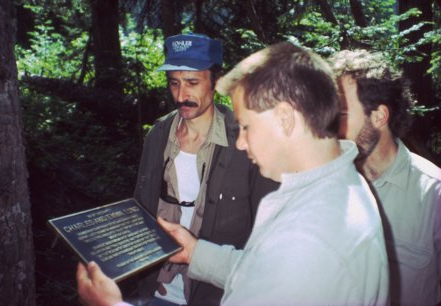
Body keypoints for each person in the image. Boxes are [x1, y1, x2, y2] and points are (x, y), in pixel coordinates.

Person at [77, 42, 389, 305]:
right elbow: (266, 269)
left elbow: (287, 264)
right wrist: (196, 253)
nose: (239, 141)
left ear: (285, 118)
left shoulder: (305, 238)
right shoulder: (341, 189)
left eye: (247, 127)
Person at [123, 33, 278, 306]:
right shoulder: (158, 134)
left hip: (218, 294)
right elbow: (140, 209)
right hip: (157, 292)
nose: (181, 95)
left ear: (215, 82)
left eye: (192, 83)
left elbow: (269, 231)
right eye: (174, 83)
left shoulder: (244, 140)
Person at [329, 49, 441, 306]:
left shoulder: (433, 194)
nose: (332, 126)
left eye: (342, 115)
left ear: (379, 116)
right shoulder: (330, 185)